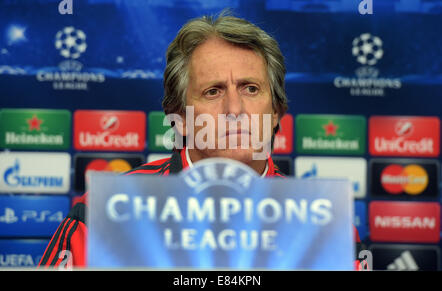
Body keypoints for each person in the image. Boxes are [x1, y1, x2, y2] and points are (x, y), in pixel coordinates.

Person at [38, 12, 361, 269]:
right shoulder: (103, 213)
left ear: (276, 111)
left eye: (250, 88)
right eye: (213, 91)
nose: (234, 110)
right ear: (179, 115)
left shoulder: (325, 227)